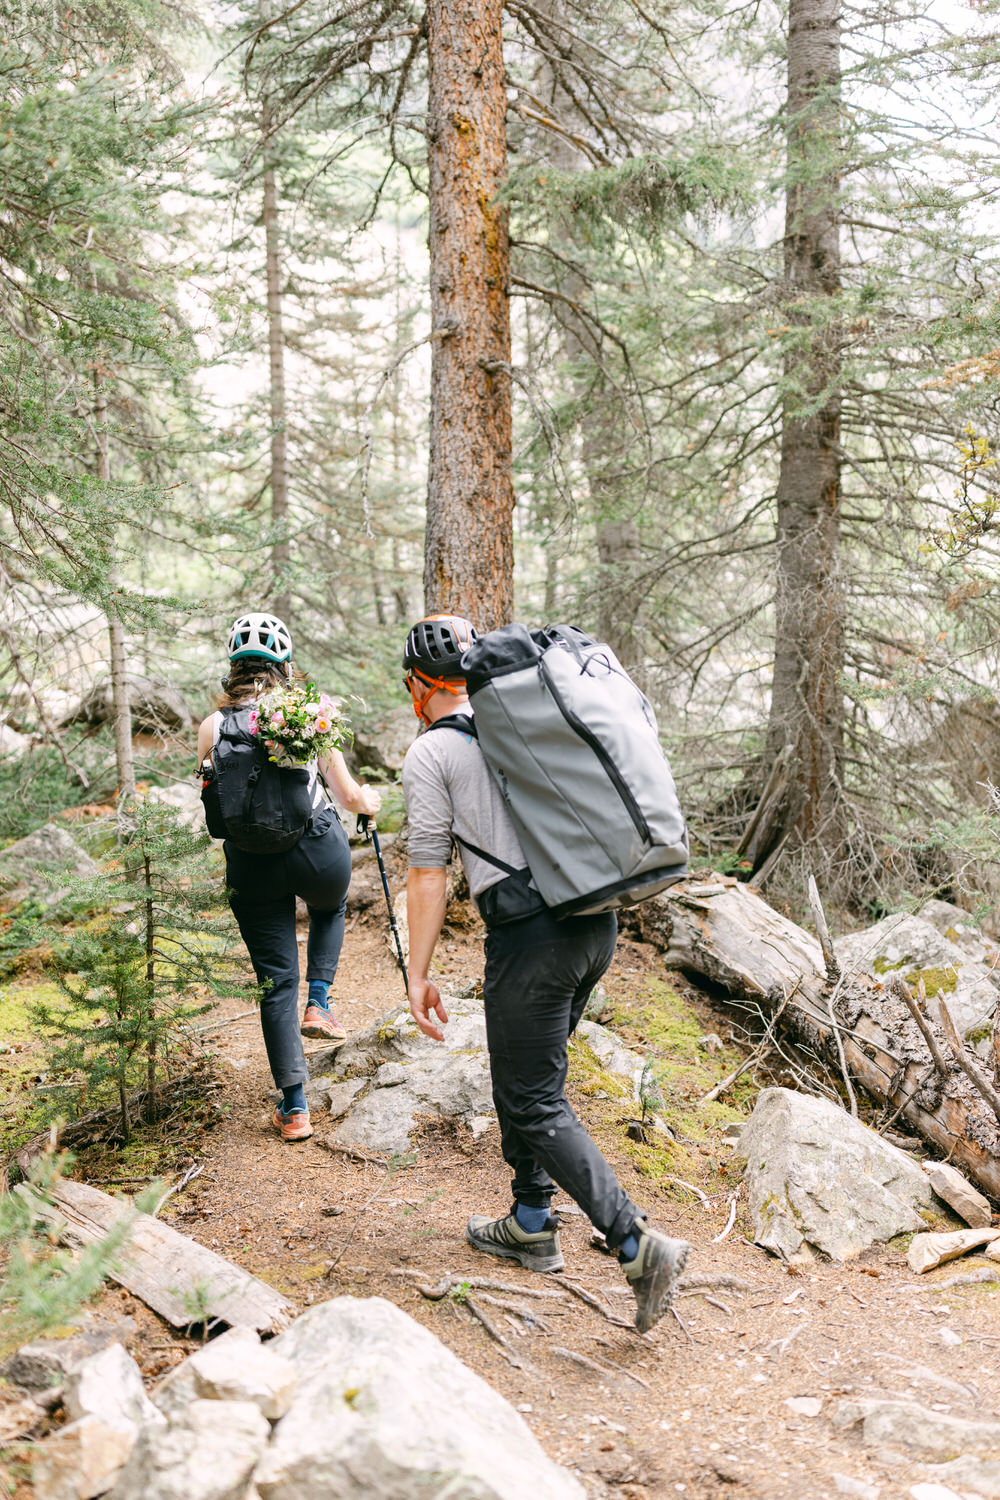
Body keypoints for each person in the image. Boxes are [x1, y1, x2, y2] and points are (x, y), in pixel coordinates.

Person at [400, 612, 691, 1333]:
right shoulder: (534, 724)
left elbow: (429, 873)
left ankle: (635, 1243)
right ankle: (531, 1219)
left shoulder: (432, 754)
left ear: (417, 686)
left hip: (532, 938)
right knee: (530, 1079)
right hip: (596, 921)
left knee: (530, 1097)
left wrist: (417, 971)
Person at [197, 612, 381, 1142]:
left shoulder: (213, 726)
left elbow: (211, 790)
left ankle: (295, 1108)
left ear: (233, 668)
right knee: (331, 906)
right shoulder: (305, 713)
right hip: (316, 849)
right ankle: (320, 1002)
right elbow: (347, 795)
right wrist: (370, 802)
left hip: (251, 861)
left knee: (275, 982)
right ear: (286, 665)